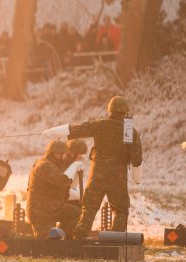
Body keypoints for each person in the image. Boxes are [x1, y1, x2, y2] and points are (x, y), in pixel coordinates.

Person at [43, 96, 143, 237]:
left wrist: (52, 132)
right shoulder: (131, 132)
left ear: (110, 110)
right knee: (121, 211)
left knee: (88, 209)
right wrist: (137, 178)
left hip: (97, 177)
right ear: (126, 112)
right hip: (117, 179)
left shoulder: (100, 125)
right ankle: (114, 239)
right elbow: (137, 160)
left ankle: (79, 236)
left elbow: (76, 130)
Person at [27, 140, 82, 238]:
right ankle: (62, 238)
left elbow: (63, 189)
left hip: (49, 208)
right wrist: (74, 167)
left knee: (74, 211)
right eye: (60, 154)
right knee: (46, 245)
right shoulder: (45, 165)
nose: (63, 156)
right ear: (52, 154)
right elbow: (62, 181)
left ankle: (63, 238)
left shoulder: (51, 165)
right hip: (41, 211)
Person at [64, 139, 89, 206]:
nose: (81, 157)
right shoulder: (63, 164)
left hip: (71, 196)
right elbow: (66, 189)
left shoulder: (77, 163)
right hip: (63, 199)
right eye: (79, 154)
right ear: (71, 153)